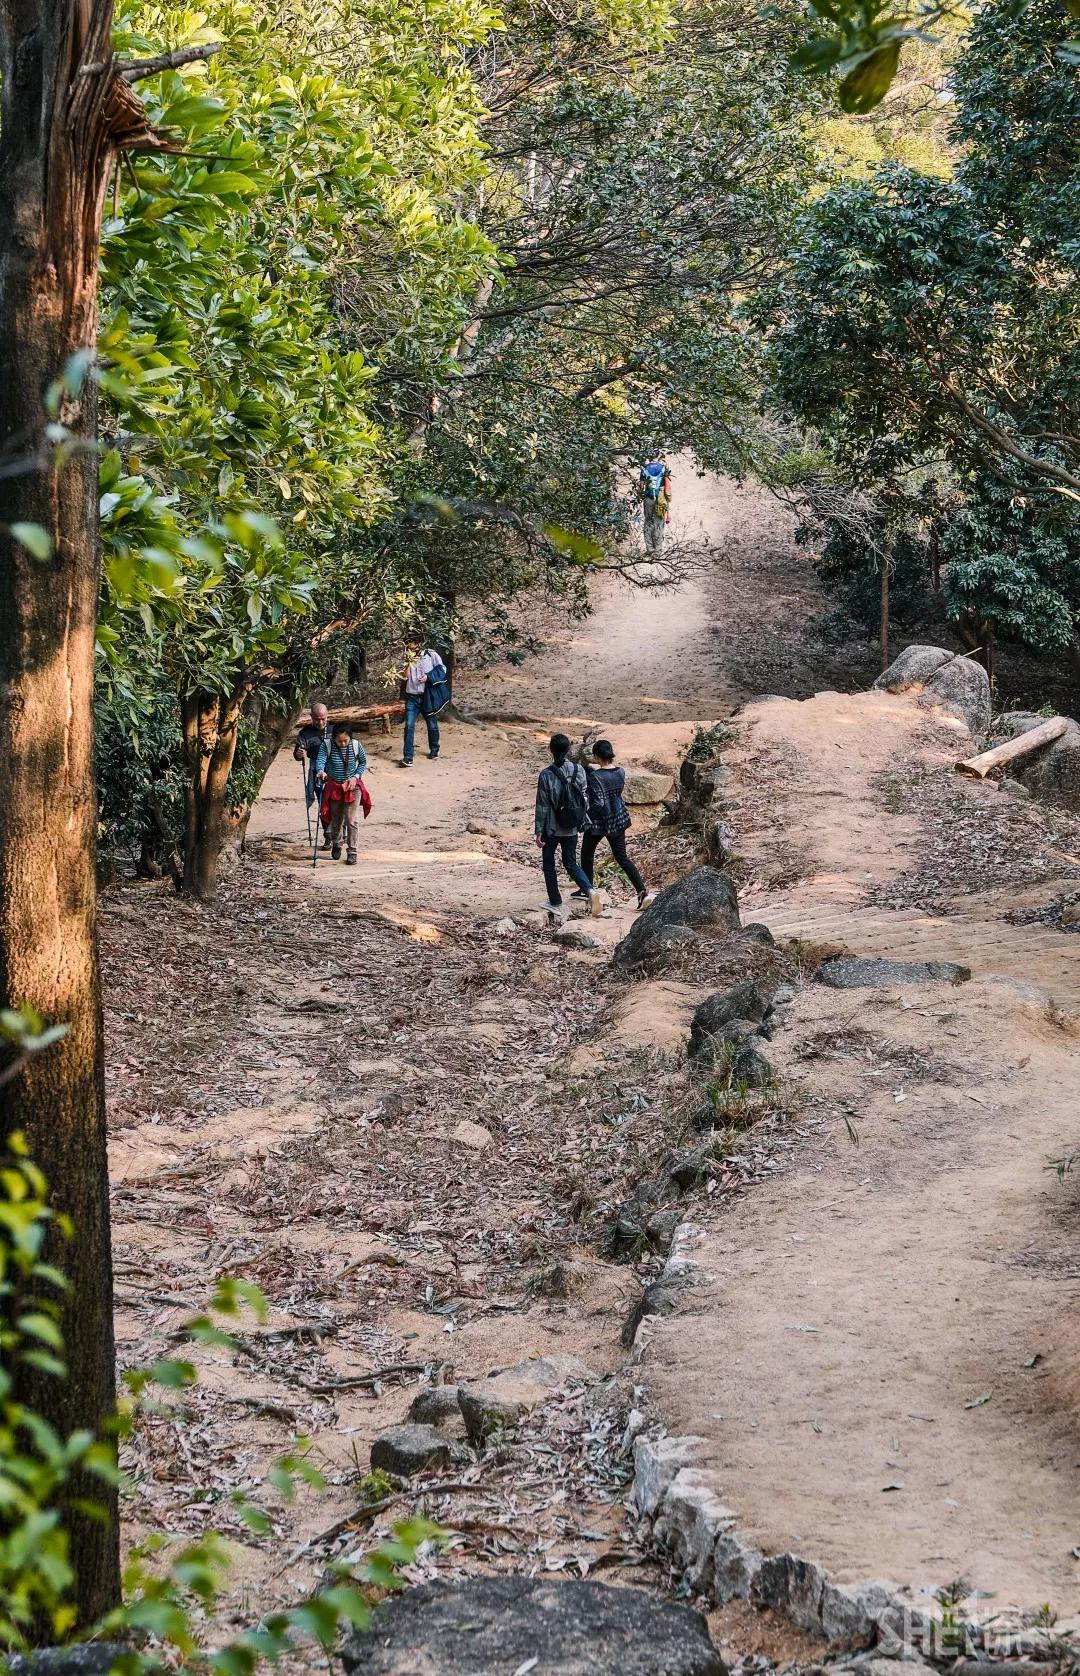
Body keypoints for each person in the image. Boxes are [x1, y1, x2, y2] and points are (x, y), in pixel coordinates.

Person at [578, 738, 655, 911]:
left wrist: (586, 816)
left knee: (587, 854)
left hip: (599, 822)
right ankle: (642, 892)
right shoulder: (621, 772)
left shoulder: (596, 777)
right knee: (622, 857)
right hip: (618, 819)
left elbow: (598, 803)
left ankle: (587, 889)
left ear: (596, 756)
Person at [535, 733, 601, 921]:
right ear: (568, 749)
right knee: (570, 862)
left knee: (549, 863)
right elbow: (583, 795)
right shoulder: (579, 770)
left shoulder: (546, 775)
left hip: (552, 827)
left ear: (551, 750)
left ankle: (555, 901)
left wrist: (538, 830)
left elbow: (542, 805)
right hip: (572, 824)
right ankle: (589, 890)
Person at [316, 726, 368, 865]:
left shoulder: (356, 745)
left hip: (352, 786)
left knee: (351, 819)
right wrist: (321, 771)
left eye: (345, 740)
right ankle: (337, 843)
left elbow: (363, 763)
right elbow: (320, 761)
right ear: (334, 738)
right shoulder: (326, 745)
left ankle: (352, 851)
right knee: (336, 818)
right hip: (334, 786)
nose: (343, 743)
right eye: (340, 741)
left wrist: (355, 777)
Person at [400, 640, 446, 768]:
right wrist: (408, 662)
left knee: (431, 723)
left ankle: (434, 750)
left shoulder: (430, 654)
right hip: (411, 696)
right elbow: (405, 676)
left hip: (427, 695)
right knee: (409, 726)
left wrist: (428, 677)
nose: (411, 647)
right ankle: (408, 757)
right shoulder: (407, 657)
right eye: (409, 646)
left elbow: (442, 669)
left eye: (413, 645)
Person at [294, 700, 333, 848]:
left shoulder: (334, 728)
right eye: (317, 719)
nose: (320, 722)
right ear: (311, 717)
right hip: (317, 772)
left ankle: (339, 834)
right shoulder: (305, 733)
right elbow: (297, 754)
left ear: (327, 716)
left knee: (337, 803)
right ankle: (328, 836)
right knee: (324, 803)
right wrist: (300, 754)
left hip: (335, 770)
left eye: (323, 718)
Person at [639, 454, 672, 552]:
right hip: (661, 499)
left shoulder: (644, 468)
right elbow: (668, 486)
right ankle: (658, 549)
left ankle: (650, 548)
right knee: (659, 522)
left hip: (648, 499)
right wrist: (669, 502)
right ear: (658, 456)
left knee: (648, 522)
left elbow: (641, 486)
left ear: (649, 457)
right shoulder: (663, 468)